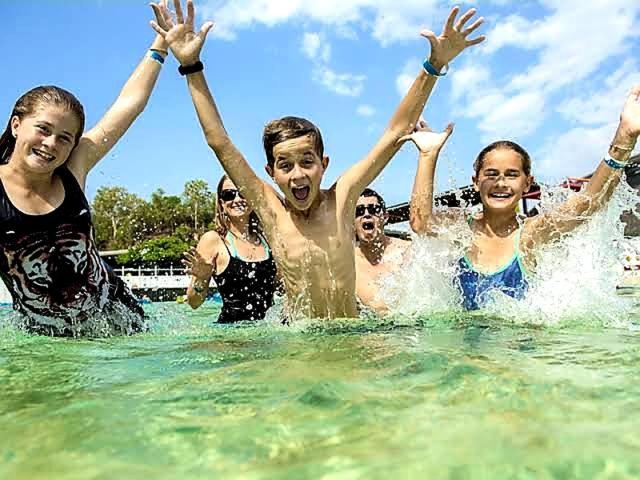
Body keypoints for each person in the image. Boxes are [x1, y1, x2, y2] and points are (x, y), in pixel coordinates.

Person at [151, 0, 485, 319]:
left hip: (349, 333)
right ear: (271, 172)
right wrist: (190, 66)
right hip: (301, 340)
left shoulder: (343, 198)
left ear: (323, 164)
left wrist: (434, 65)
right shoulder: (270, 209)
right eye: (285, 165)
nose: (297, 174)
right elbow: (219, 142)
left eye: (307, 162)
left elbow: (395, 132)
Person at [0, 3, 170, 336]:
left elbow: (127, 105)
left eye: (65, 138)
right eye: (43, 129)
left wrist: (160, 47)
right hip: (48, 338)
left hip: (121, 318)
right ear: (17, 124)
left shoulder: (72, 169)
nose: (51, 144)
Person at [404, 85, 640, 310]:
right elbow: (420, 222)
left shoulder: (531, 234)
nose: (501, 183)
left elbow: (588, 203)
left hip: (520, 348)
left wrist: (625, 138)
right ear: (476, 181)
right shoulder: (460, 229)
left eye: (512, 175)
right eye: (491, 174)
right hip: (468, 350)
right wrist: (428, 155)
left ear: (527, 183)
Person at [355, 121, 453, 314]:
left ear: (385, 217)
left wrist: (427, 155)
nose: (366, 214)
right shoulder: (345, 262)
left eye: (373, 209)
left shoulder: (408, 251)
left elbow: (423, 225)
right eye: (359, 212)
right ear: (350, 222)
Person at [182, 175, 277, 323]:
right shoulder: (213, 240)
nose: (237, 199)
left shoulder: (268, 240)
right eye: (229, 195)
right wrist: (201, 278)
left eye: (243, 193)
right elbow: (194, 303)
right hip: (231, 338)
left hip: (269, 334)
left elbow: (284, 288)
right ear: (222, 204)